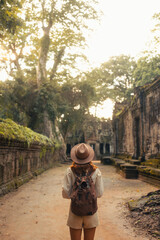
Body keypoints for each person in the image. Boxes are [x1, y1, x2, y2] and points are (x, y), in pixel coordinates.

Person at [62, 143, 104, 240]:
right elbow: (100, 193)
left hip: (75, 211)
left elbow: (65, 193)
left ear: (75, 156)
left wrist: (76, 195)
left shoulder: (70, 171)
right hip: (91, 211)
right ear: (89, 156)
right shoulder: (96, 171)